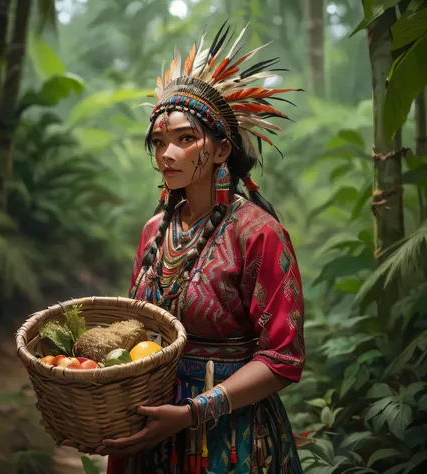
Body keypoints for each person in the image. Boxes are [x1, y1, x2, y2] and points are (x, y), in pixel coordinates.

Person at [97, 22, 306, 473]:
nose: (166, 154)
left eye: (184, 139)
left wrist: (193, 412)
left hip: (230, 440)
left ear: (220, 151)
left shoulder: (259, 234)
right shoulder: (154, 230)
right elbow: (136, 331)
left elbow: (283, 358)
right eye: (158, 141)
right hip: (149, 426)